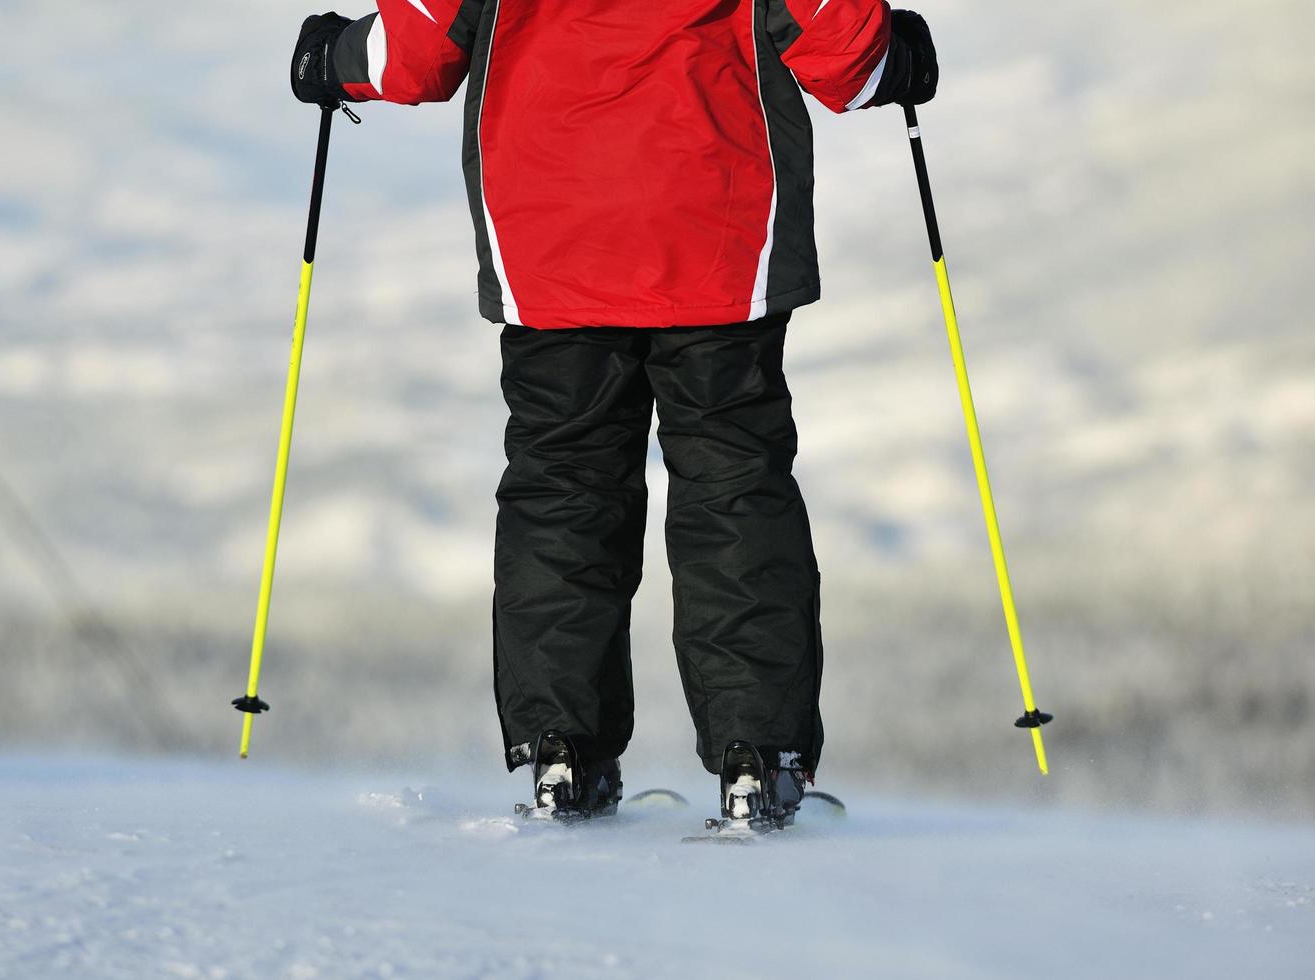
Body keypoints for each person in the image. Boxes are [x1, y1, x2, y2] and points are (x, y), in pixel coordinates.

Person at [289, 1, 937, 830]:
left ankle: (564, 753)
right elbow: (846, 54)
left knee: (562, 485)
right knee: (734, 482)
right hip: (719, 229)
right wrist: (900, 56)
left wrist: (331, 57)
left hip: (550, 238)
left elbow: (415, 53)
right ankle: (759, 760)